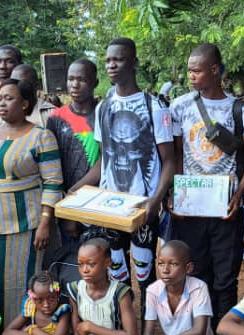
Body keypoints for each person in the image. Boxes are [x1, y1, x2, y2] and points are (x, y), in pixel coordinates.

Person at [167, 43, 244, 335]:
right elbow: (174, 156)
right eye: (189, 70)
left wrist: (239, 194)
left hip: (225, 210)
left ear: (216, 69)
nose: (192, 75)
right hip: (190, 211)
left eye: (198, 69)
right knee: (196, 274)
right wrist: (171, 195)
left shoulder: (238, 111)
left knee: (225, 277)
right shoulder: (179, 108)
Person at [73, 38, 177, 304]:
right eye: (108, 60)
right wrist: (78, 188)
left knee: (145, 273)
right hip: (110, 207)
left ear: (134, 62)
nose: (111, 65)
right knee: (117, 272)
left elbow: (169, 160)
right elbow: (103, 162)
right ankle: (124, 329)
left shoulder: (154, 106)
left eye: (118, 59)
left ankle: (147, 329)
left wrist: (156, 200)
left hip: (143, 207)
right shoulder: (103, 108)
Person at [0, 78, 62, 324]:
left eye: (9, 98)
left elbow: (53, 182)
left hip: (25, 222)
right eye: (0, 98)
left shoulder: (41, 136)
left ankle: (21, 332)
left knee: (21, 279)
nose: (2, 103)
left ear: (25, 104)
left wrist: (44, 223)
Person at [50, 59, 100, 280]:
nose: (75, 84)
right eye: (71, 79)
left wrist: (76, 193)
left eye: (82, 79)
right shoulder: (56, 118)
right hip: (62, 205)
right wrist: (66, 206)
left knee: (96, 266)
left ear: (95, 82)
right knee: (67, 267)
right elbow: (50, 164)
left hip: (97, 204)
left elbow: (105, 161)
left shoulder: (102, 115)